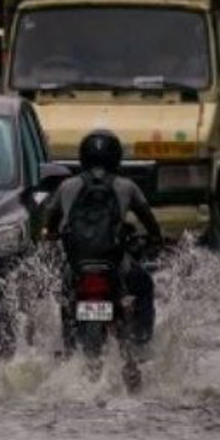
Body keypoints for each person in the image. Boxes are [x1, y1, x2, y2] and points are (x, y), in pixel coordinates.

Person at [44, 130, 162, 348]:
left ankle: (68, 342)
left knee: (65, 294)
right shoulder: (127, 186)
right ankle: (142, 340)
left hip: (77, 263)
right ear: (116, 158)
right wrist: (155, 239)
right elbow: (149, 219)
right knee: (144, 284)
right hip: (115, 262)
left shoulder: (67, 186)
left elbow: (51, 221)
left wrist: (51, 236)